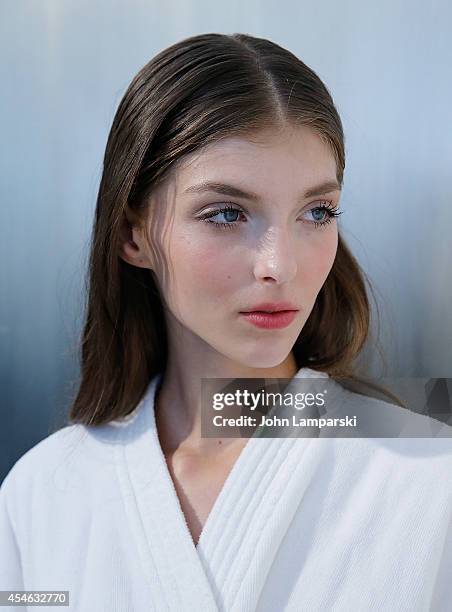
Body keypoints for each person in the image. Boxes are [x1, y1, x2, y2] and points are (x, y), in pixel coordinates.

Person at [1, 32, 451, 612]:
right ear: (131, 233)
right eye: (226, 214)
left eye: (317, 212)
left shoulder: (428, 477)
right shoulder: (43, 496)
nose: (279, 266)